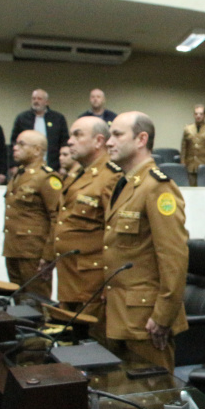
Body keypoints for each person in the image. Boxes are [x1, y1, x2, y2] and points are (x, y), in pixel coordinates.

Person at [103, 111, 188, 371]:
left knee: (152, 398)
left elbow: (173, 256)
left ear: (141, 139)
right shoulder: (126, 184)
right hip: (120, 313)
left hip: (147, 320)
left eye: (117, 134)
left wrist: (163, 316)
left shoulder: (157, 187)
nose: (108, 142)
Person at [50, 116, 122, 319]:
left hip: (93, 284)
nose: (70, 141)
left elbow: (119, 236)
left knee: (91, 345)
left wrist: (112, 283)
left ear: (99, 141)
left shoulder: (112, 177)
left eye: (77, 135)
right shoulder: (77, 174)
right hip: (70, 278)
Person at [3, 130, 60, 298]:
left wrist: (49, 256)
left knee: (37, 302)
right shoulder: (19, 174)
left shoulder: (47, 178)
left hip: (34, 253)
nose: (15, 148)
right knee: (18, 302)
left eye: (21, 144)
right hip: (14, 249)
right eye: (16, 144)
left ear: (37, 150)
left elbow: (57, 217)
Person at [11, 88, 70, 171]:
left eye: (39, 99)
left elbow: (64, 142)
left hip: (53, 164)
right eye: (34, 98)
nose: (36, 101)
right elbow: (14, 142)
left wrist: (64, 166)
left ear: (47, 102)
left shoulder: (58, 118)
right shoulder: (22, 118)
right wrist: (14, 165)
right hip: (26, 166)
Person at [180, 104, 205, 186]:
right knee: (191, 188)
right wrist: (183, 162)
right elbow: (184, 148)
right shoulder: (188, 129)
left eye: (201, 114)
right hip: (191, 164)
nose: (198, 116)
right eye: (196, 114)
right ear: (194, 115)